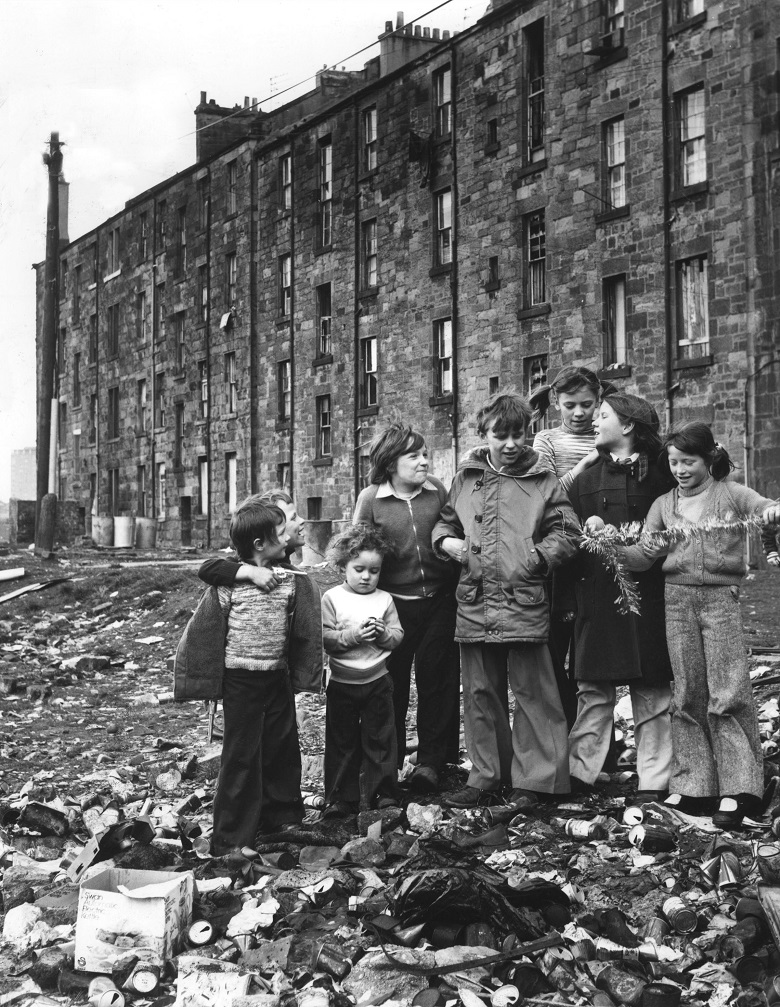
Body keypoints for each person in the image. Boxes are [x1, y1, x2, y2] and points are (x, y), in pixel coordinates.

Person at [626, 421, 780, 828]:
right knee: (689, 691)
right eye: (674, 462)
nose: (679, 469)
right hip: (676, 601)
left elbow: (763, 507)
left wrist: (771, 512)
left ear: (709, 457)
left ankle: (739, 787)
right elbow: (645, 553)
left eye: (688, 461)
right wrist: (609, 545)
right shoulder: (662, 504)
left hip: (719, 601)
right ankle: (695, 785)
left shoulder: (730, 493)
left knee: (727, 690)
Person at [432, 390, 581, 808]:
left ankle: (535, 782)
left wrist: (537, 557)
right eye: (502, 435)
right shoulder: (465, 478)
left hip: (524, 599)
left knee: (535, 693)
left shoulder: (544, 481)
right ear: (485, 434)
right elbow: (445, 522)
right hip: (475, 601)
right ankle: (485, 777)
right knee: (481, 692)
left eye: (520, 434)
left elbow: (568, 533)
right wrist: (447, 544)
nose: (512, 444)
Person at [566, 393, 675, 802]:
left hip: (649, 600)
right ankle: (581, 775)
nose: (594, 422)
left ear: (627, 426)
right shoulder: (585, 479)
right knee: (593, 692)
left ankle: (654, 781)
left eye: (603, 415)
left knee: (652, 692)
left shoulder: (662, 476)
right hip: (596, 599)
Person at [354, 423, 460, 794]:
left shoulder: (437, 491)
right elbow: (357, 551)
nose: (424, 462)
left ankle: (432, 762)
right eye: (413, 456)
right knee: (392, 685)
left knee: (438, 681)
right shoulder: (371, 499)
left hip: (440, 602)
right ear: (390, 462)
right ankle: (390, 763)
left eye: (424, 454)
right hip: (393, 606)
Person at [210, 497, 320, 854]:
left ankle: (282, 818)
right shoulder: (231, 581)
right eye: (280, 532)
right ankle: (231, 837)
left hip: (277, 676)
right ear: (260, 545)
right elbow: (209, 621)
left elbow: (300, 628)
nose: (288, 535)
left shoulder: (288, 580)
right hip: (239, 679)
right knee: (241, 755)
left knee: (282, 747)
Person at [532, 365, 608, 726]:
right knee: (553, 646)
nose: (579, 413)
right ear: (555, 403)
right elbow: (544, 496)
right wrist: (587, 463)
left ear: (599, 401)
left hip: (600, 549)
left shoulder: (609, 432)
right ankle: (557, 730)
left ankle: (593, 745)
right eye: (569, 405)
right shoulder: (546, 441)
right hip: (561, 549)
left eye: (587, 404)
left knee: (591, 653)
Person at [321, 525, 404, 816]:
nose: (367, 576)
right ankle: (342, 798)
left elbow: (397, 635)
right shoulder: (332, 598)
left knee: (381, 739)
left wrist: (382, 635)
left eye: (374, 570)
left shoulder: (384, 600)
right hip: (342, 683)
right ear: (343, 565)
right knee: (341, 741)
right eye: (359, 569)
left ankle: (384, 793)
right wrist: (353, 635)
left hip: (377, 681)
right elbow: (326, 639)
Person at [198, 488, 305, 592]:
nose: (302, 520)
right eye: (293, 518)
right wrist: (252, 572)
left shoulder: (281, 555)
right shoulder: (248, 560)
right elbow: (206, 569)